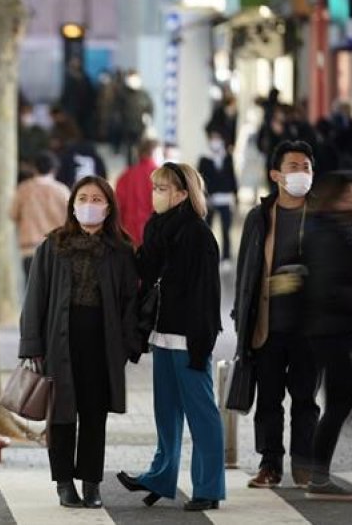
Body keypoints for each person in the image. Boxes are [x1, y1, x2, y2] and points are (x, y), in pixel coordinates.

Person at [20, 175, 139, 509]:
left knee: (93, 414)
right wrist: (32, 346)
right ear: (72, 204)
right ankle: (63, 483)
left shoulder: (120, 249)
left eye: (97, 199)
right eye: (83, 198)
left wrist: (130, 345)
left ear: (109, 207)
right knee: (60, 415)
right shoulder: (53, 246)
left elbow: (132, 301)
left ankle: (91, 483)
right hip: (60, 339)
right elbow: (35, 299)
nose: (90, 205)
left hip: (102, 342)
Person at [116, 162, 224, 512]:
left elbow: (207, 296)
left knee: (202, 414)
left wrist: (201, 344)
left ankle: (209, 488)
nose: (155, 195)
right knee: (166, 413)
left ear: (182, 193)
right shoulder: (159, 228)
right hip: (162, 335)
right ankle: (161, 477)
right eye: (155, 188)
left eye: (162, 189)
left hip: (189, 338)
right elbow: (145, 272)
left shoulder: (197, 234)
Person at [233, 140, 319, 489]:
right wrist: (242, 317)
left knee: (304, 399)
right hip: (266, 324)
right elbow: (245, 269)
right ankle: (270, 464)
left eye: (306, 167)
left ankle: (303, 463)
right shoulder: (260, 218)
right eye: (294, 167)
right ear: (275, 174)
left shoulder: (319, 218)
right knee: (268, 400)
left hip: (309, 327)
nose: (301, 173)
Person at [301, 171, 352, 500]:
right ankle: (317, 473)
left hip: (334, 331)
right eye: (347, 195)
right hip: (330, 330)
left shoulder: (331, 231)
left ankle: (316, 467)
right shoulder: (329, 235)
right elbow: (328, 288)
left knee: (345, 398)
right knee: (344, 399)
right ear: (334, 199)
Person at [10, 152, 71, 276]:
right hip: (56, 249)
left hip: (30, 249)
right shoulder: (62, 190)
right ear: (54, 169)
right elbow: (72, 219)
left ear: (34, 168)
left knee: (33, 291)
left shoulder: (24, 189)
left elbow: (13, 214)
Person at [198, 125, 239, 263]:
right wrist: (203, 197)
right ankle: (207, 255)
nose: (215, 140)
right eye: (213, 138)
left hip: (225, 198)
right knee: (207, 229)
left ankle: (226, 256)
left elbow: (232, 177)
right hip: (210, 199)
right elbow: (200, 180)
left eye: (217, 138)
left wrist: (235, 195)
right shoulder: (204, 158)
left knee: (226, 229)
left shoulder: (227, 157)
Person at [115, 138, 161, 246]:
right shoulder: (161, 176)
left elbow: (117, 206)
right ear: (154, 153)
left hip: (129, 233)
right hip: (154, 235)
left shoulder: (125, 175)